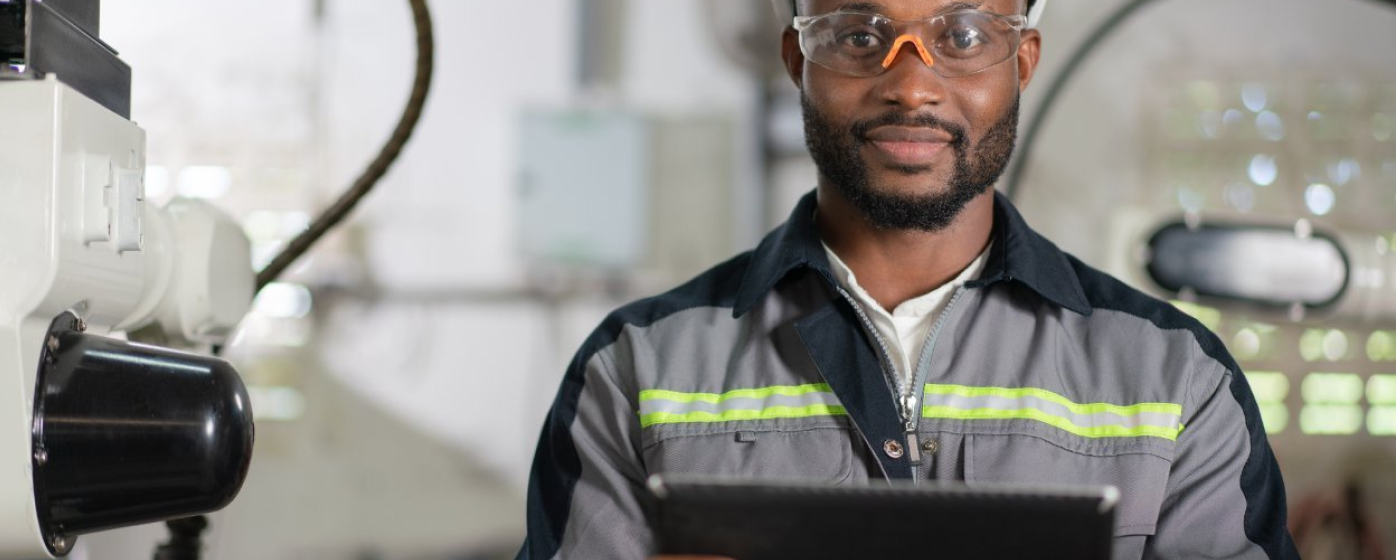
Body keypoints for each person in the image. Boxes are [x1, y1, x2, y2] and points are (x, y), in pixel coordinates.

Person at [517, 0, 1300, 558]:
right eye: (860, 35)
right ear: (797, 60)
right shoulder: (638, 366)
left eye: (963, 35)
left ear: (1023, 62)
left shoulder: (1176, 379)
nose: (911, 86)